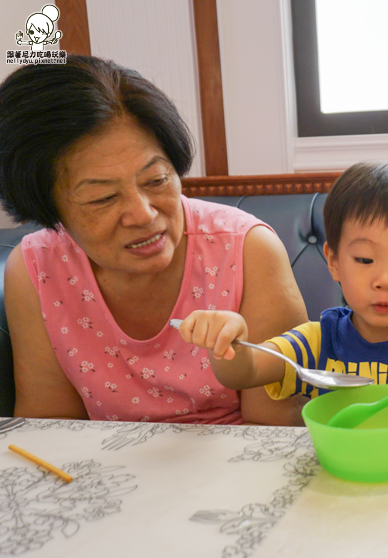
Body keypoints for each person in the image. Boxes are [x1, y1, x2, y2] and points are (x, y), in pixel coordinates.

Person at [0, 56, 308, 425]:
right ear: (49, 207)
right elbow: (49, 430)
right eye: (103, 198)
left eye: (156, 180)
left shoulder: (247, 250)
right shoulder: (36, 270)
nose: (144, 214)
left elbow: (275, 435)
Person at [177, 161, 388, 429]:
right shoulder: (317, 341)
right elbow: (245, 373)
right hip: (340, 485)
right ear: (333, 261)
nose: (385, 280)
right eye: (364, 259)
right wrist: (228, 343)